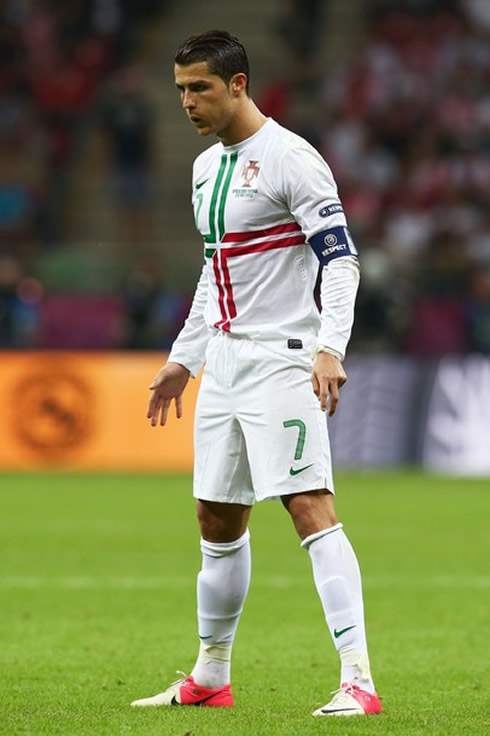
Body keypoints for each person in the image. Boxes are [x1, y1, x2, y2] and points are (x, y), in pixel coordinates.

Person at [131, 30, 382, 718]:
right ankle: (211, 676)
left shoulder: (291, 159)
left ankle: (358, 679)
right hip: (227, 362)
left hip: (283, 358)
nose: (187, 101)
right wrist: (186, 357)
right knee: (216, 517)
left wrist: (331, 346)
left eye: (200, 87)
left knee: (308, 507)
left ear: (239, 84)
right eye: (181, 88)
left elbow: (340, 260)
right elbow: (216, 276)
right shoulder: (206, 167)